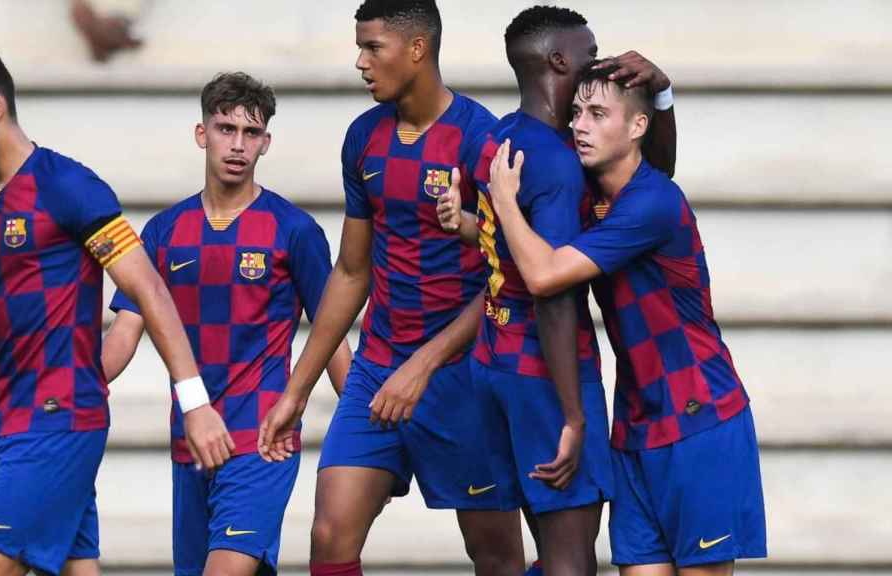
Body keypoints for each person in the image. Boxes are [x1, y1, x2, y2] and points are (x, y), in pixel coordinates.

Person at [0, 43, 232, 575]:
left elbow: (150, 290)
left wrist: (194, 401)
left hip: (60, 417)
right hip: (15, 421)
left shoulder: (67, 186)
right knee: (77, 568)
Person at [258, 1, 525, 574]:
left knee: (497, 555)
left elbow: (510, 279)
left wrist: (425, 365)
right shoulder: (363, 138)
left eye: (372, 47)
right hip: (379, 367)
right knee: (329, 536)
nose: (360, 62)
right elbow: (353, 272)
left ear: (417, 49)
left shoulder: (480, 139)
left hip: (463, 375)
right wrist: (297, 391)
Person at [484, 60, 767, 576]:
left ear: (637, 127)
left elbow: (546, 275)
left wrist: (505, 202)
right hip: (634, 427)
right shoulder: (595, 197)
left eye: (597, 114)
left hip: (699, 419)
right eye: (575, 112)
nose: (579, 126)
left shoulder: (654, 203)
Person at [437, 7, 678, 574]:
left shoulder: (494, 137)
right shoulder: (561, 163)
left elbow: (496, 237)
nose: (599, 63)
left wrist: (466, 221)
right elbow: (553, 293)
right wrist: (573, 415)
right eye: (590, 54)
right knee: (570, 560)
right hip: (545, 376)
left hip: (493, 365)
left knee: (541, 554)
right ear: (559, 60)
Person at [102, 71, 351, 576]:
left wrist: (366, 440)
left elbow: (333, 339)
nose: (237, 145)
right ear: (202, 134)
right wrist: (72, 381)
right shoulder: (164, 231)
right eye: (225, 129)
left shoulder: (294, 230)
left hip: (263, 438)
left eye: (251, 133)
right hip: (191, 441)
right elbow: (124, 333)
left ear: (266, 144)